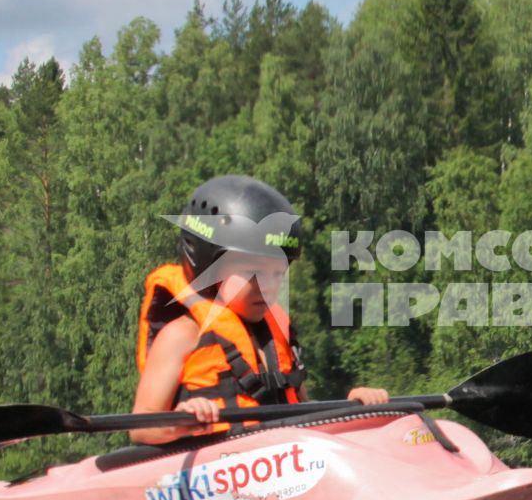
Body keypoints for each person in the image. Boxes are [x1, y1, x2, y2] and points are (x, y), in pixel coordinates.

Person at [132, 175, 386, 444]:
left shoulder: (277, 338)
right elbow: (140, 426)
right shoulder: (182, 335)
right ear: (208, 267)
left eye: (277, 274)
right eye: (251, 272)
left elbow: (302, 411)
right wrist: (181, 421)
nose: (266, 286)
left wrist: (354, 408)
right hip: (213, 475)